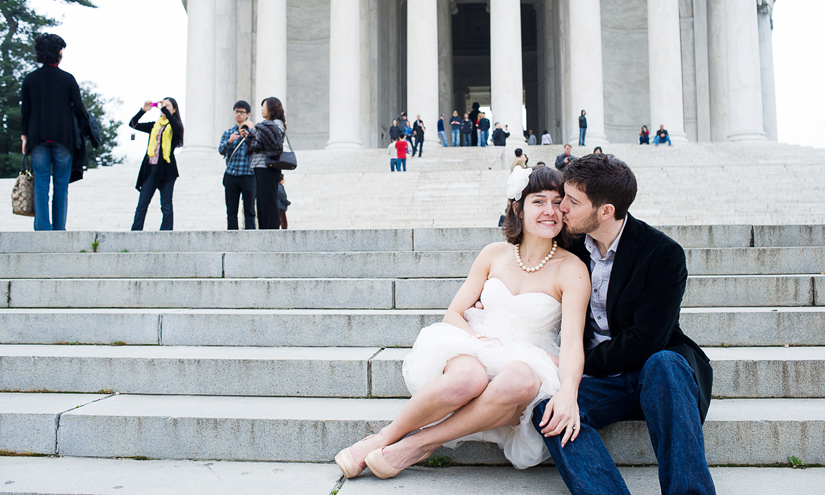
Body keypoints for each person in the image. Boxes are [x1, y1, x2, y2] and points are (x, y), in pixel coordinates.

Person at [335, 166, 590, 479]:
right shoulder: (493, 254)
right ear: (517, 208)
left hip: (529, 355)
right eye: (538, 202)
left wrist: (569, 393)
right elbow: (454, 313)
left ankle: (419, 444)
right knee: (468, 379)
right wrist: (476, 338)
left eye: (557, 202)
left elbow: (574, 342)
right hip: (479, 341)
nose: (550, 211)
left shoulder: (572, 268)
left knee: (520, 380)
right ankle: (384, 438)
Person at [532, 153, 715, 495]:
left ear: (606, 211)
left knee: (665, 363)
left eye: (572, 201)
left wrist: (577, 362)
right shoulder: (569, 245)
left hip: (656, 372)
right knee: (547, 409)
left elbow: (647, 339)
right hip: (603, 383)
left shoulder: (662, 253)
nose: (562, 209)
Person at [20, 33, 88, 231]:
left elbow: (26, 111)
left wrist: (24, 136)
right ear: (58, 53)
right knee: (61, 186)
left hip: (37, 138)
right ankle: (59, 229)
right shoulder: (67, 79)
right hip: (64, 139)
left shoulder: (30, 79)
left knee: (41, 183)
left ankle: (42, 228)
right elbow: (79, 109)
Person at [129, 98, 184, 231]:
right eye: (162, 106)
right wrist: (143, 110)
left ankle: (166, 233)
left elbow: (177, 128)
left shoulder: (175, 126)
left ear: (174, 109)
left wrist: (164, 109)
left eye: (167, 106)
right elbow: (133, 124)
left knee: (166, 205)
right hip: (150, 169)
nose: (163, 108)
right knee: (142, 204)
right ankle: (135, 232)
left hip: (167, 170)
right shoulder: (155, 126)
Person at [241, 97, 286, 230]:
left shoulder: (277, 124)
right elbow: (259, 142)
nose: (261, 110)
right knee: (261, 203)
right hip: (258, 166)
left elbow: (270, 142)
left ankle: (271, 232)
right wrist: (248, 136)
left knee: (269, 202)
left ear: (272, 108)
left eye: (264, 107)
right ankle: (263, 232)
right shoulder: (265, 125)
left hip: (268, 167)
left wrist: (253, 129)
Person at [218, 100, 256, 230]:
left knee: (250, 211)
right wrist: (229, 142)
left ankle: (251, 236)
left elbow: (257, 150)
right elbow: (221, 151)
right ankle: (232, 238)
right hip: (231, 175)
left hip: (248, 174)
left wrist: (249, 137)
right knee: (231, 211)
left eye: (241, 112)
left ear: (247, 114)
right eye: (236, 111)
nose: (238, 114)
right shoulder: (228, 133)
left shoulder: (253, 133)